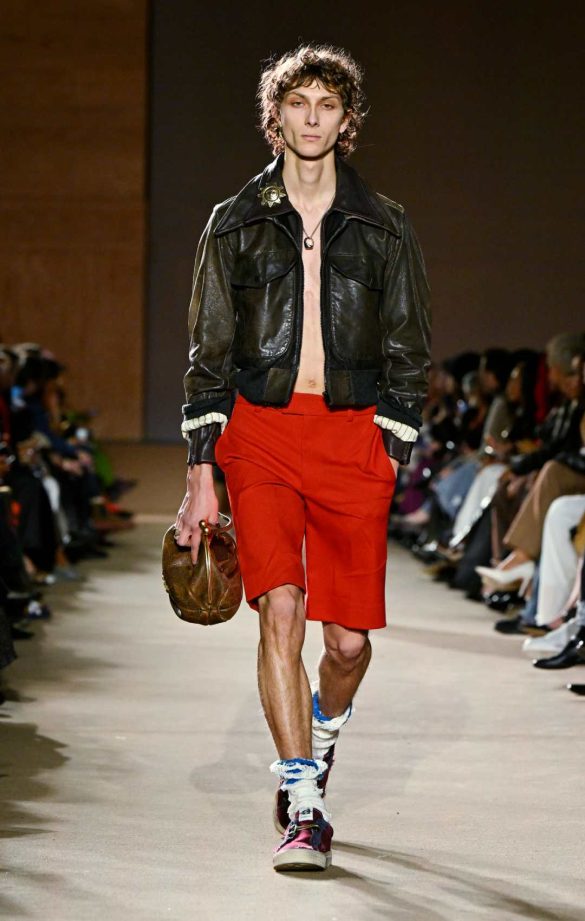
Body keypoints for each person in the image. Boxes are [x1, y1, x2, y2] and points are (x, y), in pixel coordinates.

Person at [174, 43, 431, 872]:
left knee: (347, 643)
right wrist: (201, 470)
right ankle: (303, 801)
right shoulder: (233, 221)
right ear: (274, 117)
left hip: (352, 436)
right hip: (261, 433)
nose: (312, 117)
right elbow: (208, 352)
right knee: (279, 607)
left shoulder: (384, 223)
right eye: (297, 103)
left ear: (346, 120)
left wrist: (392, 440)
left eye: (327, 104)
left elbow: (409, 343)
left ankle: (319, 737)